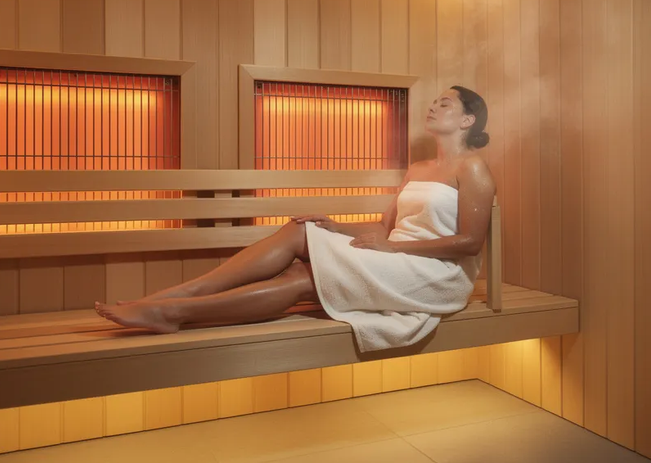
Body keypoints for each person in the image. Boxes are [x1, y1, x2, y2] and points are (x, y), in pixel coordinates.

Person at [95, 86, 496, 352]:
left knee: (305, 278)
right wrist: (335, 226)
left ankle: (171, 313)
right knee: (303, 228)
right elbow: (382, 228)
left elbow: (469, 244)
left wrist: (392, 247)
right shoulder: (419, 167)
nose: (434, 106)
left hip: (437, 275)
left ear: (467, 121)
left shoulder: (473, 169)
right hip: (396, 257)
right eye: (435, 101)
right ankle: (177, 297)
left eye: (446, 103)